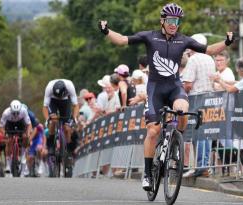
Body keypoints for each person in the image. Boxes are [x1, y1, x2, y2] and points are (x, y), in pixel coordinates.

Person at [99, 2, 234, 191]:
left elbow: (210, 50)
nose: (173, 24)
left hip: (174, 87)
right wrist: (106, 31)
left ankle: (175, 143)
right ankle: (147, 174)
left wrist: (227, 42)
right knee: (153, 132)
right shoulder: (150, 36)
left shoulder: (184, 40)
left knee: (182, 112)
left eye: (177, 20)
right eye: (170, 20)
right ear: (163, 21)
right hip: (155, 89)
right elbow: (122, 40)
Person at [182, 33, 215, 178]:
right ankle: (204, 165)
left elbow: (188, 84)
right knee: (205, 133)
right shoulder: (210, 58)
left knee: (198, 133)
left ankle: (201, 166)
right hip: (211, 98)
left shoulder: (193, 59)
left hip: (197, 98)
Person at [42, 79, 79, 157]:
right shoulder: (49, 87)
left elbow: (76, 105)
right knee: (53, 120)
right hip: (53, 101)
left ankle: (69, 148)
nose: (59, 98)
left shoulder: (70, 86)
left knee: (67, 127)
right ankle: (51, 145)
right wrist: (47, 119)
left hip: (66, 101)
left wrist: (74, 118)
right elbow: (45, 107)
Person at [0, 100, 32, 173]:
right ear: (11, 110)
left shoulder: (23, 111)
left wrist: (28, 134)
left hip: (21, 123)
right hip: (10, 124)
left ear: (20, 110)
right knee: (9, 140)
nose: (16, 115)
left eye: (17, 113)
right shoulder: (6, 113)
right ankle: (8, 164)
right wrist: (5, 134)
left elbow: (29, 124)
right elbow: (1, 127)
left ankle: (23, 154)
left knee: (25, 137)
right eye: (14, 113)